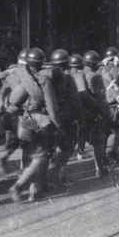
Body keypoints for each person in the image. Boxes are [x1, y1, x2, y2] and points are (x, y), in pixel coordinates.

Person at [8, 48, 61, 202]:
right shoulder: (44, 80)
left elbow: (13, 102)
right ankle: (18, 186)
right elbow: (51, 106)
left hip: (26, 120)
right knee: (41, 156)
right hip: (40, 120)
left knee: (28, 154)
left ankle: (34, 191)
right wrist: (57, 125)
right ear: (41, 64)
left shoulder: (24, 80)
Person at [41, 49, 85, 187]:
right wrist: (81, 120)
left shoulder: (44, 76)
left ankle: (42, 180)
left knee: (47, 150)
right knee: (67, 148)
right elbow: (76, 101)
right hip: (65, 120)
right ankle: (56, 175)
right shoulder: (68, 78)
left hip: (46, 119)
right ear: (66, 64)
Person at [0, 48, 29, 175]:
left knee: (12, 142)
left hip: (9, 114)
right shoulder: (27, 74)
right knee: (29, 143)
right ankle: (24, 170)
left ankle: (3, 159)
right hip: (23, 114)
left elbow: (2, 92)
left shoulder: (11, 74)